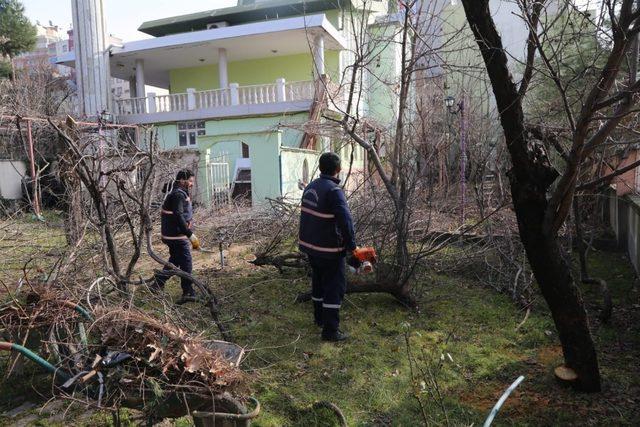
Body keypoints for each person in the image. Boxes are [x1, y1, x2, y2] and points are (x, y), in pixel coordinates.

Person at [298, 152, 357, 342]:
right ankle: (331, 331)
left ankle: (319, 319)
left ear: (320, 167)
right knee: (334, 287)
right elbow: (345, 221)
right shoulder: (334, 191)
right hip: (329, 250)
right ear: (338, 170)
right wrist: (352, 247)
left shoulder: (310, 187)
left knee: (318, 282)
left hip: (310, 247)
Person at [154, 169, 200, 305]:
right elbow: (178, 215)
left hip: (171, 234)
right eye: (190, 181)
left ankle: (157, 284)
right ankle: (188, 292)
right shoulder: (178, 195)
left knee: (175, 260)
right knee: (186, 263)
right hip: (176, 236)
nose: (192, 184)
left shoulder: (176, 191)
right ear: (182, 180)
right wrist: (190, 234)